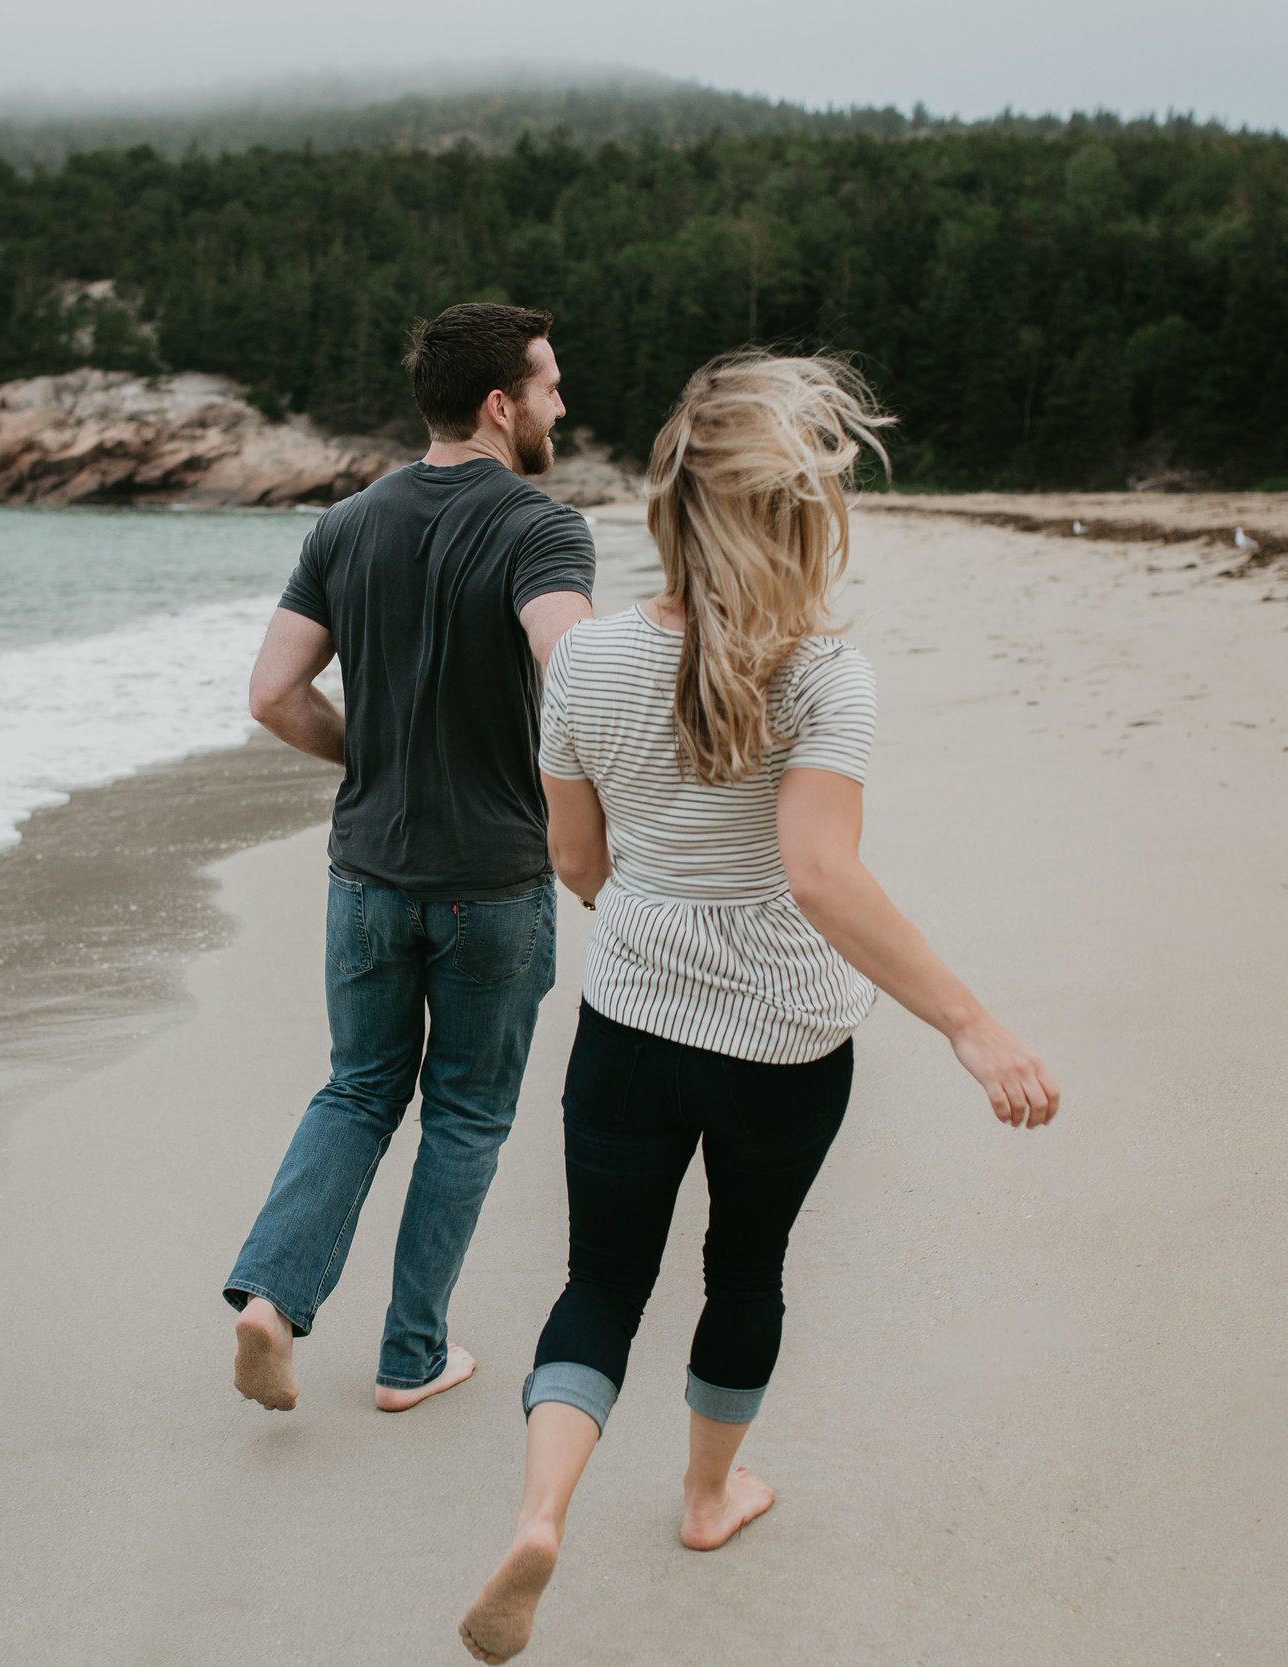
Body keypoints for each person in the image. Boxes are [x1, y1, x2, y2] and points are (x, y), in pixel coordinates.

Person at [456, 353, 1063, 1663]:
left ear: (666, 511)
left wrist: (652, 929)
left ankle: (540, 1511)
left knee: (601, 1279)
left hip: (629, 1020)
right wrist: (970, 1022)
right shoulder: (821, 677)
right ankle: (709, 1492)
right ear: (797, 519)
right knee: (745, 1264)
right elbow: (818, 872)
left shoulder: (589, 662)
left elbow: (574, 859)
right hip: (784, 1039)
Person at [224, 303, 598, 1414]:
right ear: (501, 405)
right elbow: (572, 671)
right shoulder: (542, 526)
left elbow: (272, 695)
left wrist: (373, 754)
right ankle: (411, 1354)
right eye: (549, 386)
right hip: (490, 883)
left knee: (358, 1089)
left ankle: (271, 1298)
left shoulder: (342, 527)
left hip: (366, 877)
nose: (561, 404)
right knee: (469, 1114)